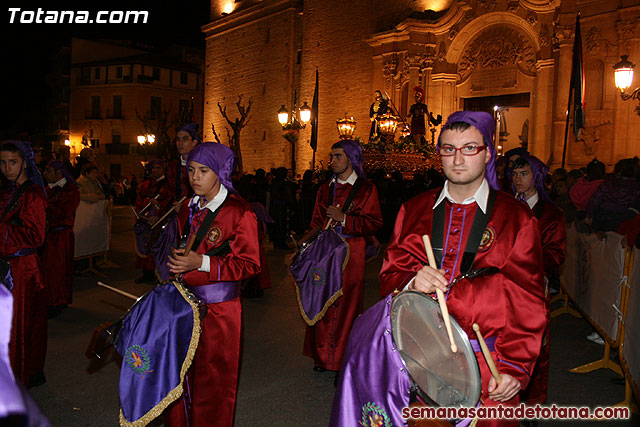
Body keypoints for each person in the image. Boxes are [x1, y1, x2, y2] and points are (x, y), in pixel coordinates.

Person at [333, 112, 546, 427]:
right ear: (440, 155)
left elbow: (529, 299)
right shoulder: (414, 209)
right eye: (449, 149)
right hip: (419, 359)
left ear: (488, 153)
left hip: (488, 363)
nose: (458, 159)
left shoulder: (517, 218)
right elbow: (389, 275)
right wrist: (411, 281)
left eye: (469, 148)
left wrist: (515, 367)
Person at [164, 142, 260, 427]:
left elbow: (251, 265)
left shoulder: (240, 212)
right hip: (183, 304)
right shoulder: (189, 207)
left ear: (220, 172)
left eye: (203, 171)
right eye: (191, 170)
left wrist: (201, 263)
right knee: (180, 375)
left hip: (220, 311)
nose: (195, 177)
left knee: (213, 381)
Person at [303, 139, 382, 373]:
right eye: (331, 156)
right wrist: (304, 243)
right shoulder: (325, 188)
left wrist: (344, 219)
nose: (332, 161)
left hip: (351, 254)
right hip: (325, 252)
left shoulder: (367, 189)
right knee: (321, 299)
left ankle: (341, 358)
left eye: (338, 156)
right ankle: (321, 355)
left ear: (351, 159)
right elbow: (316, 221)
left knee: (347, 305)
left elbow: (374, 223)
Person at [511, 154, 566, 407]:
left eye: (524, 174)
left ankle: (532, 404)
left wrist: (526, 259)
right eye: (514, 174)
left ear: (538, 177)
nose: (518, 179)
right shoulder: (505, 207)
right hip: (503, 288)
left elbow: (556, 254)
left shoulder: (552, 214)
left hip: (532, 288)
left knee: (535, 346)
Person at [0, 141, 48, 388]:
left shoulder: (33, 194)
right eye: (2, 162)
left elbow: (36, 236)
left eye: (12, 162)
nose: (7, 168)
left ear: (24, 163)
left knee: (15, 328)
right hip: (7, 266)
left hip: (21, 270)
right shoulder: (6, 191)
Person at [40, 160, 80, 313]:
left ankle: (56, 302)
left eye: (48, 170)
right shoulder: (48, 189)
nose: (45, 174)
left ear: (59, 173)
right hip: (50, 235)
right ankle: (53, 300)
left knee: (57, 271)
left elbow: (62, 212)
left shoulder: (70, 190)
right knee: (50, 271)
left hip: (61, 235)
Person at [134, 159, 173, 283]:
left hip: (159, 220)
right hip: (145, 221)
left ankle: (158, 275)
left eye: (158, 168)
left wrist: (159, 210)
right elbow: (139, 200)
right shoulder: (145, 184)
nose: (155, 170)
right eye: (154, 168)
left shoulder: (168, 185)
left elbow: (169, 202)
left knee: (157, 248)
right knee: (144, 246)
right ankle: (146, 274)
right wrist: (141, 216)